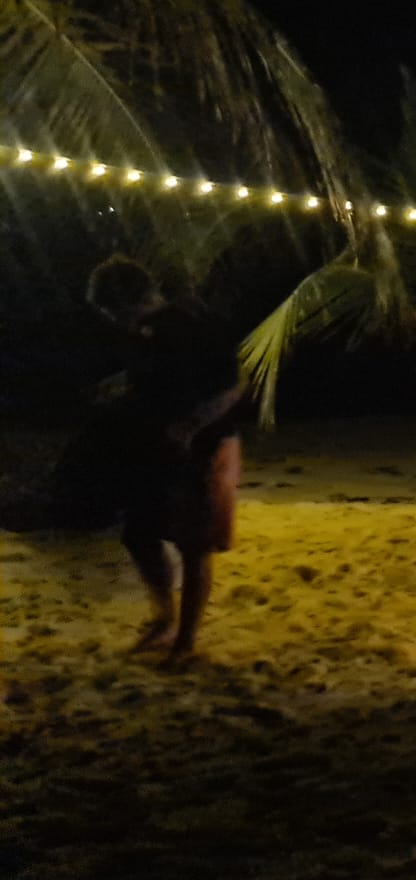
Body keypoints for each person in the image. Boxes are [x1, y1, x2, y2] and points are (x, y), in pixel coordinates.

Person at [87, 255, 243, 661]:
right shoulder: (145, 332)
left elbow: (234, 384)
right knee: (138, 534)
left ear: (128, 300)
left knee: (194, 546)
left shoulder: (193, 322)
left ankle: (185, 640)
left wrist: (190, 426)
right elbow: (160, 378)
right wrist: (119, 384)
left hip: (204, 445)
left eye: (110, 311)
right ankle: (163, 618)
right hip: (157, 447)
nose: (112, 320)